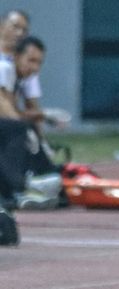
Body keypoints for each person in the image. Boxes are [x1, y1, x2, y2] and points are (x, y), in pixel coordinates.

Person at [0, 36, 60, 209]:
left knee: (22, 128)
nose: (35, 67)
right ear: (16, 56)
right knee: (18, 129)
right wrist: (43, 116)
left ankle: (46, 173)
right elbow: (8, 113)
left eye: (39, 63)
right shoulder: (4, 69)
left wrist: (42, 143)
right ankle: (20, 187)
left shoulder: (16, 78)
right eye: (31, 60)